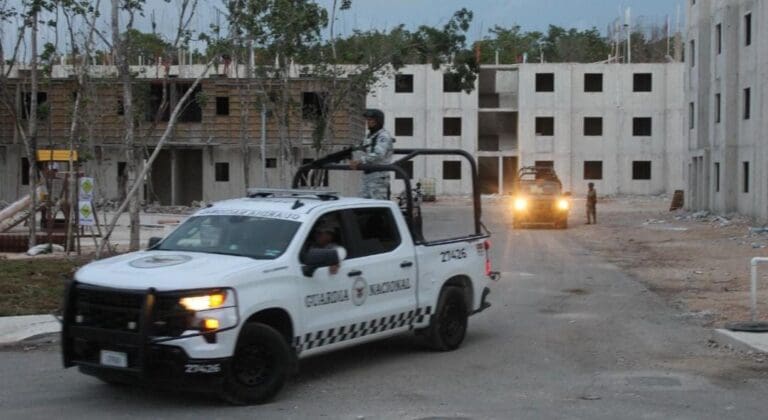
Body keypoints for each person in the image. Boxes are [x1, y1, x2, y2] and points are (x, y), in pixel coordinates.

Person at [350, 109, 394, 200]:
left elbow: (379, 154)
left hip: (378, 177)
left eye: (371, 120)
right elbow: (361, 148)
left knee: (378, 206)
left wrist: (361, 160)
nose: (368, 122)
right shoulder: (369, 136)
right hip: (367, 175)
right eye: (367, 120)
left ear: (378, 121)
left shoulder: (383, 136)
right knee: (362, 205)